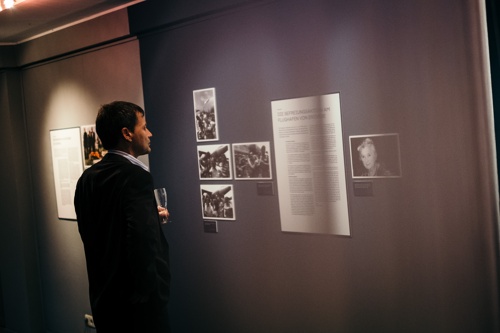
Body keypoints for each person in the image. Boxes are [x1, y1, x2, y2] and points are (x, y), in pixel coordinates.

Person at [74, 101, 171, 332]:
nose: (150, 133)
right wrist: (152, 291)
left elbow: (94, 233)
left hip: (104, 299)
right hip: (137, 307)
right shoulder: (136, 176)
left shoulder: (87, 178)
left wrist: (149, 217)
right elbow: (141, 239)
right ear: (127, 133)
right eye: (144, 127)